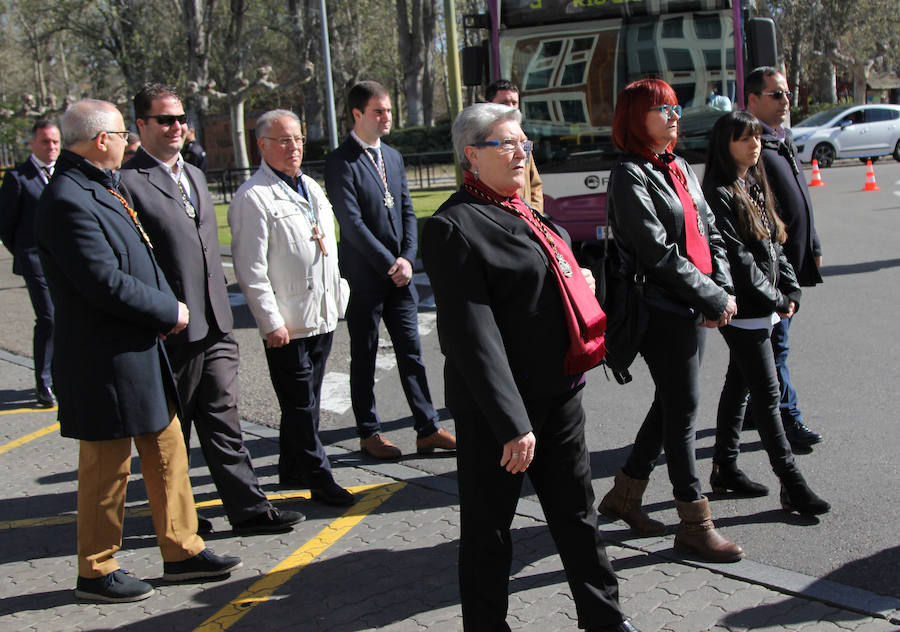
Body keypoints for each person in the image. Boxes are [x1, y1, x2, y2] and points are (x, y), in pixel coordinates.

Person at [422, 102, 638, 632]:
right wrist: (512, 423)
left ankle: (604, 619)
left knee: (578, 518)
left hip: (558, 394)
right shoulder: (454, 227)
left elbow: (545, 279)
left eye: (524, 142)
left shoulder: (522, 210)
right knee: (490, 533)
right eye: (507, 144)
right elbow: (472, 337)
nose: (522, 153)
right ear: (472, 155)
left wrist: (579, 282)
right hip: (501, 412)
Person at [34, 99, 241, 603]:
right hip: (103, 360)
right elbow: (102, 281)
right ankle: (96, 570)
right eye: (125, 134)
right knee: (108, 467)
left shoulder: (101, 184)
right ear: (100, 139)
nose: (131, 142)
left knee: (168, 448)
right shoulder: (67, 197)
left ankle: (182, 551)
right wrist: (169, 311)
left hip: (138, 349)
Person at [120, 84, 303, 534]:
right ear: (141, 125)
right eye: (165, 119)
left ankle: (249, 510)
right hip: (172, 327)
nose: (177, 126)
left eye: (181, 118)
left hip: (216, 322)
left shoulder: (196, 174)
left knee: (225, 420)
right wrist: (161, 313)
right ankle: (181, 519)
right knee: (173, 432)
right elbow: (135, 260)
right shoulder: (127, 181)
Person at [598, 79, 743, 563]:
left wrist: (718, 289)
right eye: (661, 109)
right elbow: (657, 254)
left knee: (671, 403)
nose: (674, 115)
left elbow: (709, 232)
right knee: (683, 411)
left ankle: (624, 494)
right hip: (659, 308)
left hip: (691, 303)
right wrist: (709, 296)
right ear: (635, 119)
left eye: (676, 106)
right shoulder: (629, 174)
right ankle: (694, 525)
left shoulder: (678, 166)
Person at [702, 111, 830, 515]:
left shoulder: (752, 182)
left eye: (756, 137)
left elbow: (775, 243)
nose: (754, 144)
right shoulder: (720, 192)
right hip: (744, 309)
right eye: (744, 138)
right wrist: (776, 297)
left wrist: (789, 288)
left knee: (739, 385)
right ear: (725, 145)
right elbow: (739, 260)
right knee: (768, 394)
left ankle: (725, 467)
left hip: (764, 304)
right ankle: (791, 483)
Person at [324, 80, 456, 460]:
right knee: (364, 355)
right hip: (365, 278)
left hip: (400, 277)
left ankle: (427, 427)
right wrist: (388, 263)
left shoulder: (393, 157)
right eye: (379, 111)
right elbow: (351, 224)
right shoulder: (341, 160)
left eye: (389, 111)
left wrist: (408, 259)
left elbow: (408, 211)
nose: (387, 118)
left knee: (411, 354)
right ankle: (369, 432)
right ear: (357, 114)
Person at [228, 109, 354, 506]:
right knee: (299, 405)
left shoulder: (310, 187)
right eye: (283, 140)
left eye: (298, 139)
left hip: (320, 314)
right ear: (262, 146)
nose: (294, 147)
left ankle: (291, 466)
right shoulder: (253, 197)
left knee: (307, 400)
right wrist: (269, 321)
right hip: (288, 323)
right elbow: (251, 270)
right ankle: (320, 478)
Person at [745, 66, 824, 450]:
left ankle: (749, 411)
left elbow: (800, 198)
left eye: (787, 94)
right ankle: (788, 419)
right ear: (753, 100)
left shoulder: (780, 140)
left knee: (762, 346)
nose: (786, 101)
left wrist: (815, 245)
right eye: (776, 95)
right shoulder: (749, 145)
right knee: (777, 345)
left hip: (790, 266)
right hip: (770, 273)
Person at [0, 120, 61, 407]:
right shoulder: (17, 178)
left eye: (55, 142)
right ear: (33, 144)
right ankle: (44, 382)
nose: (51, 147)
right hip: (35, 261)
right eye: (46, 142)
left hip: (66, 261)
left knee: (67, 318)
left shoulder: (65, 172)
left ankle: (64, 374)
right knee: (48, 318)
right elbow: (6, 226)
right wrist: (25, 254)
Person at [485, 79, 544, 213]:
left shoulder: (524, 141)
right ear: (489, 105)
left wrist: (535, 214)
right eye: (504, 103)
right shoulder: (481, 143)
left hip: (526, 221)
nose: (511, 107)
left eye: (514, 103)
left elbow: (534, 183)